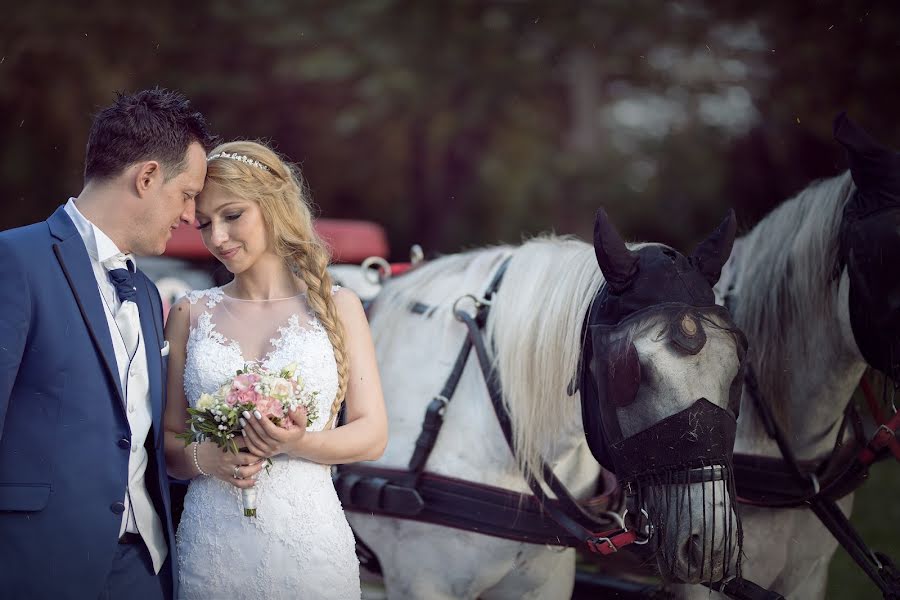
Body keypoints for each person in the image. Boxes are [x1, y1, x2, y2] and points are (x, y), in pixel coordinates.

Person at [0, 88, 216, 599]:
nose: (190, 215)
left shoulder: (142, 290)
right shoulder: (14, 261)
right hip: (37, 565)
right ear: (146, 177)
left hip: (143, 566)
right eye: (186, 194)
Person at [163, 140, 388, 599]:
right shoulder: (190, 312)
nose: (218, 238)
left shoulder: (340, 307)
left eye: (232, 216)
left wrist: (300, 442)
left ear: (272, 206)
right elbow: (168, 443)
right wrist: (210, 459)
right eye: (205, 224)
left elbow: (373, 435)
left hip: (311, 549)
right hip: (213, 549)